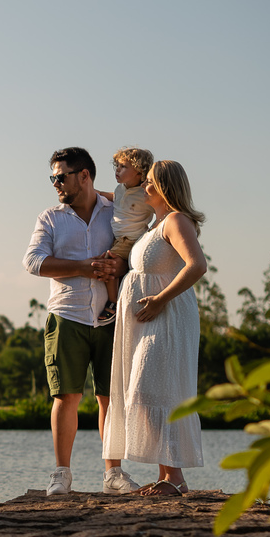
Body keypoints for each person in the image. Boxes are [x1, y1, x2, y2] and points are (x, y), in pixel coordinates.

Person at [23, 147, 139, 497]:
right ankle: (62, 475)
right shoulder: (50, 218)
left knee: (110, 399)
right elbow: (33, 261)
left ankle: (114, 474)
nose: (56, 183)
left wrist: (119, 267)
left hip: (112, 319)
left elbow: (134, 251)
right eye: (53, 177)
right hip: (67, 316)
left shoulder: (115, 212)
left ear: (84, 176)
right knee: (66, 396)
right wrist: (84, 266)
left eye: (62, 176)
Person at [102, 160, 207, 495]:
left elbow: (197, 265)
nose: (144, 187)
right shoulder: (155, 224)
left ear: (164, 186)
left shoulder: (176, 220)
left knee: (152, 389)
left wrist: (160, 298)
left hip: (168, 317)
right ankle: (167, 476)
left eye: (149, 182)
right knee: (148, 390)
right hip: (149, 320)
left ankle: (175, 478)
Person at [96, 147, 156, 322]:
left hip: (130, 239)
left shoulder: (145, 192)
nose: (117, 170)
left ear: (139, 171)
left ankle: (113, 303)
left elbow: (159, 207)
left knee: (109, 263)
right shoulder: (121, 188)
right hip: (119, 238)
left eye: (123, 167)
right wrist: (98, 194)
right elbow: (116, 197)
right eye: (117, 166)